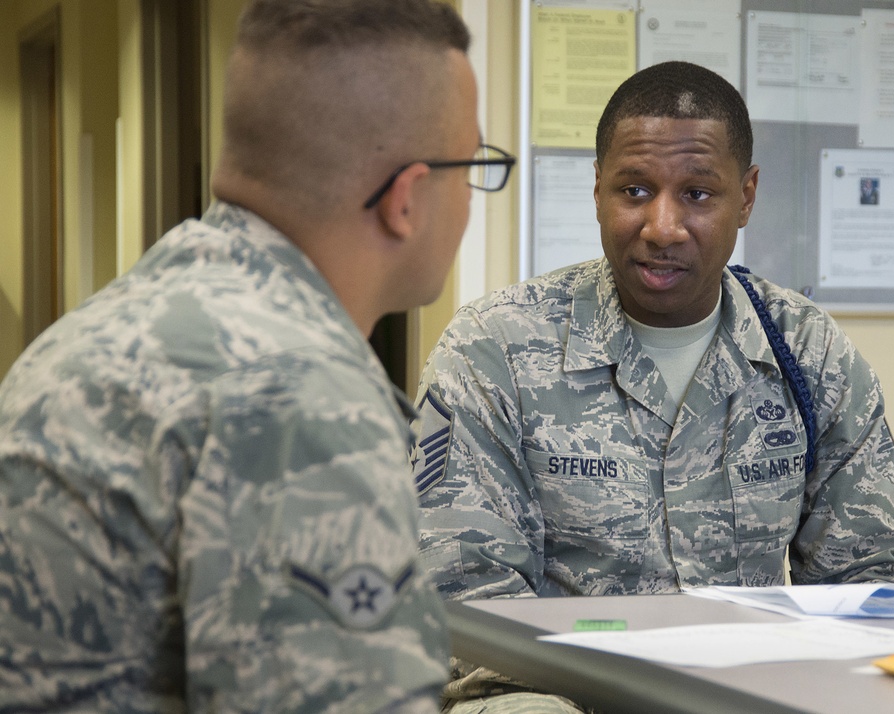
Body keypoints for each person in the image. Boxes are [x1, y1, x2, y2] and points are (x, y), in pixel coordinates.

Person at [0, 1, 515, 711]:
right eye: (474, 166)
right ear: (408, 198)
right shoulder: (302, 398)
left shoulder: (104, 328)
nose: (472, 201)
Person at [411, 61, 894, 712]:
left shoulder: (807, 352)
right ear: (597, 189)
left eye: (697, 194)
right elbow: (464, 610)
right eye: (633, 190)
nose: (662, 227)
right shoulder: (494, 350)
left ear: (746, 196)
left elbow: (878, 582)